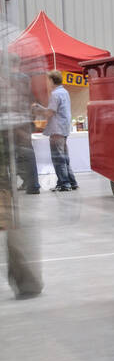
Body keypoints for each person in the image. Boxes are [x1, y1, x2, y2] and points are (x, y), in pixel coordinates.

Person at [1, 18, 43, 297]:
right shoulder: (23, 39)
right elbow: (41, 95)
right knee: (12, 211)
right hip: (12, 137)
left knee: (10, 209)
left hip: (9, 138)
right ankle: (26, 280)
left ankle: (26, 279)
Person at [32, 69, 78, 191]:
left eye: (48, 80)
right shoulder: (64, 92)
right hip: (64, 128)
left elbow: (49, 113)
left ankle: (64, 184)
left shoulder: (55, 94)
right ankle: (72, 182)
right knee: (64, 157)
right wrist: (41, 108)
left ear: (52, 80)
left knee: (58, 158)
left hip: (56, 129)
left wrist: (38, 109)